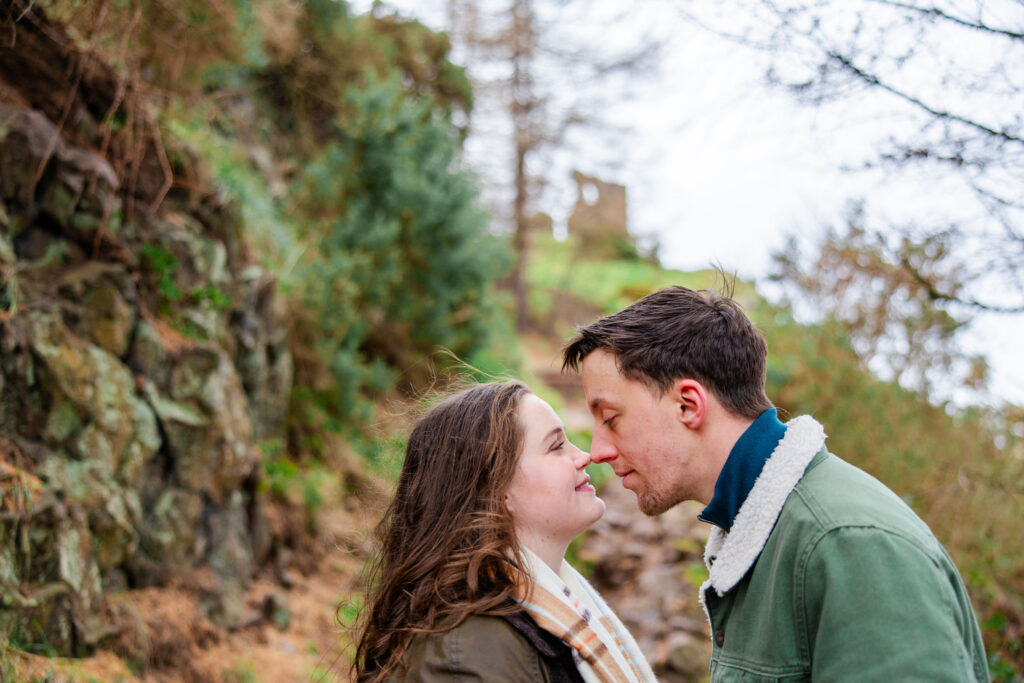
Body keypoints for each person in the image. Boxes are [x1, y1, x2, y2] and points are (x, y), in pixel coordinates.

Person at [562, 284, 989, 682]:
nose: (597, 449)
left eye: (611, 419)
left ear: (688, 404)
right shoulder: (761, 532)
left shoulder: (850, 546)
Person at [353, 381, 656, 683]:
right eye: (557, 446)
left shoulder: (546, 613)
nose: (585, 456)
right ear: (496, 491)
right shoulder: (466, 652)